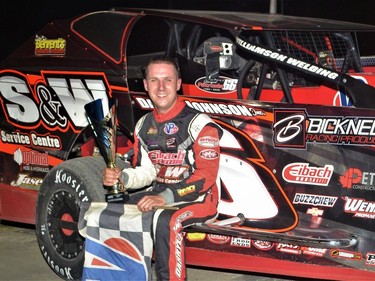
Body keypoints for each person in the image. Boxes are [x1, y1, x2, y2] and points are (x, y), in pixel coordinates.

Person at [103, 56, 222, 281]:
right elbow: (147, 172)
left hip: (200, 198)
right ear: (146, 85)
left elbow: (206, 176)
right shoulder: (143, 124)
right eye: (154, 80)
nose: (161, 87)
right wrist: (122, 178)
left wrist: (165, 198)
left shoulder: (199, 123)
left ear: (178, 84)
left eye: (167, 80)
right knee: (114, 211)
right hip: (160, 192)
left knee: (166, 219)